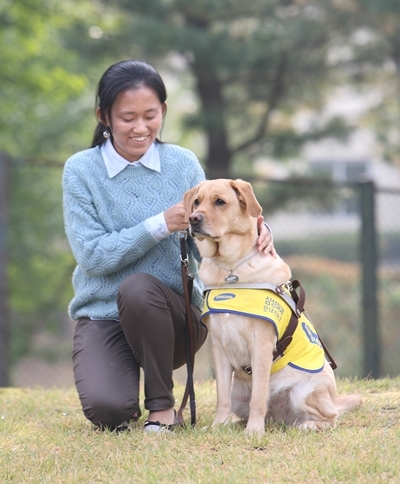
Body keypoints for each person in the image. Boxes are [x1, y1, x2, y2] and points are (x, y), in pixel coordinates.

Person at [62, 59, 274, 432]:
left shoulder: (182, 163)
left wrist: (257, 230)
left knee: (139, 287)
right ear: (104, 116)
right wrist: (158, 226)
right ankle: (123, 390)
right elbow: (92, 256)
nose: (140, 128)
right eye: (127, 117)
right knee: (108, 411)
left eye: (150, 114)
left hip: (174, 318)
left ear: (163, 111)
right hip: (105, 316)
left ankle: (161, 409)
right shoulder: (81, 171)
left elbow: (216, 224)